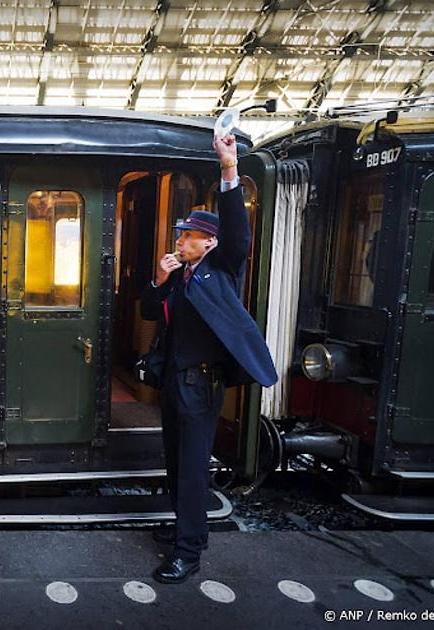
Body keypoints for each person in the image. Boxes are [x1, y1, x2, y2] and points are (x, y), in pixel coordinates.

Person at [139, 133, 278, 584]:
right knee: (176, 460)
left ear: (208, 244)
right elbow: (148, 311)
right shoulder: (180, 277)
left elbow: (237, 230)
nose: (179, 241)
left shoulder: (222, 269)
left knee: (195, 466)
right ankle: (184, 528)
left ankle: (189, 551)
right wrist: (159, 279)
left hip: (201, 382)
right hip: (176, 381)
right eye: (181, 236)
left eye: (188, 237)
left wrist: (229, 168)